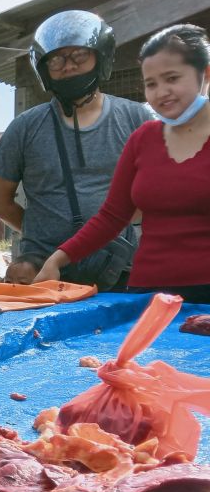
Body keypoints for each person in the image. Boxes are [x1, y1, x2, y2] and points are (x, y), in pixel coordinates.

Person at [35, 24, 210, 302]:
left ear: (205, 74)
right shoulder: (143, 139)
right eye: (151, 83)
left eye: (172, 78)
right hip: (147, 293)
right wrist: (57, 259)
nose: (161, 92)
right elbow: (112, 217)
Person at [0, 11, 151, 289]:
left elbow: (153, 193)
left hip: (116, 267)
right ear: (43, 67)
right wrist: (39, 232)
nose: (68, 66)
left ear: (101, 57)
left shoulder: (136, 119)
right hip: (42, 270)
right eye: (56, 59)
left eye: (79, 56)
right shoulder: (25, 127)